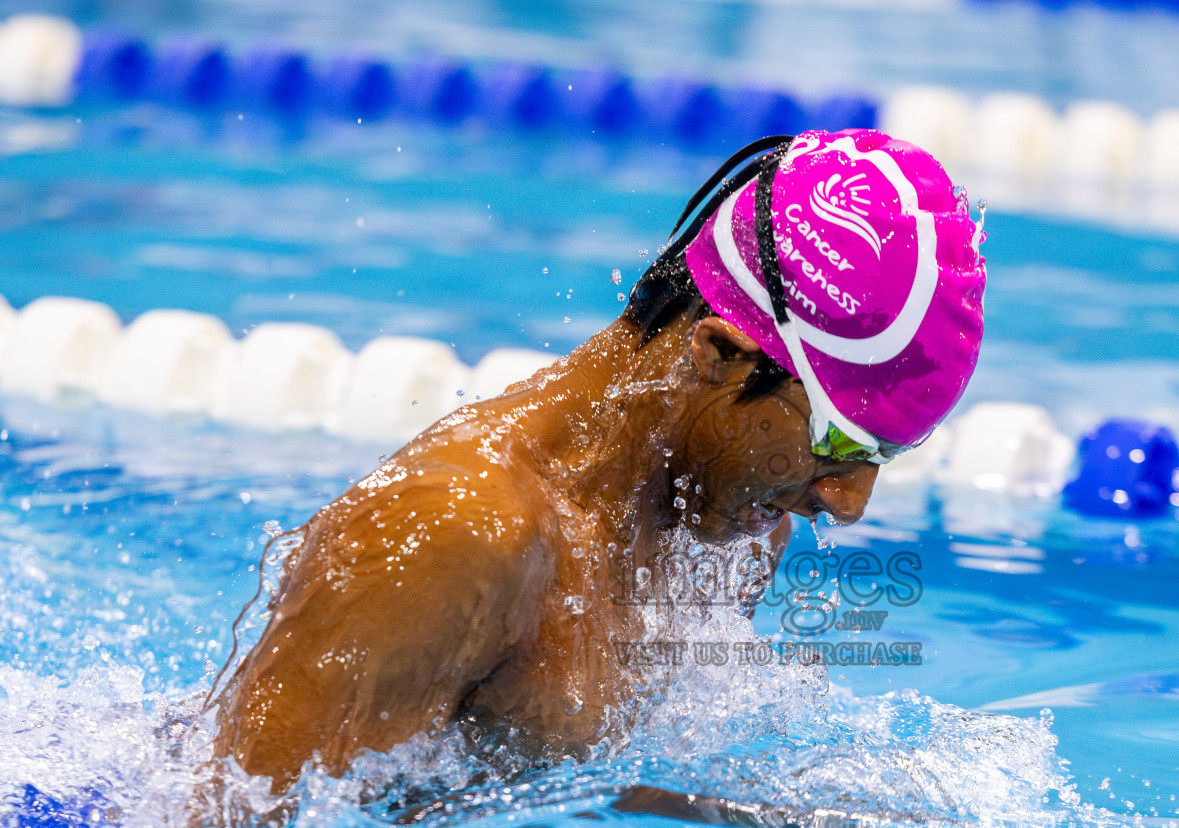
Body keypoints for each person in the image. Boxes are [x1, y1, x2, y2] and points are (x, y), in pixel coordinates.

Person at [210, 128, 987, 791]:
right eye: (840, 442)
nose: (850, 501)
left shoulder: (733, 530)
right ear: (719, 355)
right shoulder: (458, 540)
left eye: (888, 452)